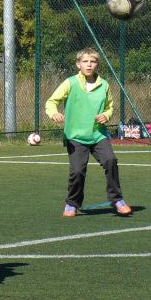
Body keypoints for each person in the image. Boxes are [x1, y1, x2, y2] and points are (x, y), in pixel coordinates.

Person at [45, 47, 131, 217]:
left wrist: (106, 115)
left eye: (93, 61)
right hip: (75, 137)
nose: (89, 64)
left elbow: (109, 107)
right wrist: (54, 113)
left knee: (110, 160)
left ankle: (117, 200)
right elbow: (51, 101)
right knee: (77, 171)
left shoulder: (104, 85)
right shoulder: (70, 83)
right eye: (85, 61)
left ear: (97, 64)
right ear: (78, 64)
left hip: (98, 135)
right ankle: (72, 203)